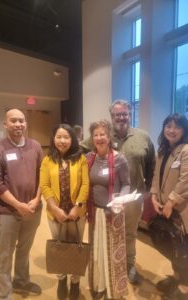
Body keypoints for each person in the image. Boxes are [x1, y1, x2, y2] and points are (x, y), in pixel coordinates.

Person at [81, 99, 155, 284]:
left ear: (130, 115)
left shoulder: (143, 136)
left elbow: (152, 165)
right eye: (117, 114)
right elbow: (80, 149)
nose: (121, 117)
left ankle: (129, 265)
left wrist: (147, 190)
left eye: (124, 114)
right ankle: (107, 267)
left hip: (132, 198)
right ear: (111, 116)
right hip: (105, 200)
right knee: (105, 235)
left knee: (129, 234)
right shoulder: (103, 135)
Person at [0, 109, 43, 300]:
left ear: (25, 123)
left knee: (24, 249)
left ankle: (21, 280)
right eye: (13, 121)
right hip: (7, 211)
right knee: (5, 253)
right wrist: (18, 205)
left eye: (21, 121)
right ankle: (3, 294)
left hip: (33, 209)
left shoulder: (35, 146)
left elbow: (42, 175)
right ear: (5, 124)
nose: (18, 124)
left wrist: (36, 200)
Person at [40, 124, 89, 300]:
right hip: (56, 214)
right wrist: (54, 208)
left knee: (76, 247)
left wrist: (78, 206)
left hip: (77, 214)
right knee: (59, 246)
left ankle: (75, 282)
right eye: (59, 137)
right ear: (53, 139)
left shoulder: (80, 158)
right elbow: (44, 185)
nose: (62, 141)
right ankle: (61, 280)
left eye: (66, 137)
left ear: (72, 139)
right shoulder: (47, 160)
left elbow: (85, 184)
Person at [86, 120, 129, 300]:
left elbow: (126, 184)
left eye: (102, 134)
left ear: (109, 136)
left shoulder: (120, 158)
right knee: (96, 252)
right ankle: (98, 285)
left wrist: (121, 201)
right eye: (95, 135)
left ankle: (114, 290)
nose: (99, 138)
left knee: (113, 254)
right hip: (95, 213)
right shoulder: (89, 158)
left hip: (114, 213)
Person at [151, 113, 188, 300]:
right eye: (168, 126)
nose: (172, 130)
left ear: (184, 130)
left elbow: (185, 180)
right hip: (164, 206)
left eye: (177, 127)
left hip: (182, 210)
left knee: (183, 248)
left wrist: (171, 202)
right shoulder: (163, 150)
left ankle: (184, 288)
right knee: (172, 244)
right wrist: (154, 197)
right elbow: (156, 177)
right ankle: (176, 277)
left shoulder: (186, 150)